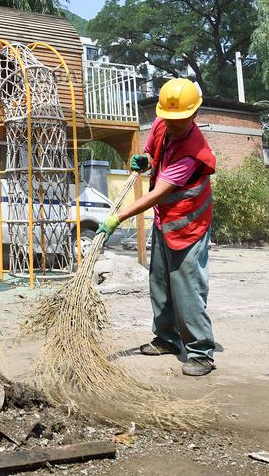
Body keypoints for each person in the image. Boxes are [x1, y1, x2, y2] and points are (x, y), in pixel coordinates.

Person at [97, 78, 218, 377]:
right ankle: (166, 338)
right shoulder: (163, 124)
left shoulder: (193, 150)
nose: (173, 125)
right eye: (168, 118)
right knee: (160, 283)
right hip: (166, 220)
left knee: (187, 287)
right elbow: (153, 155)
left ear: (194, 115)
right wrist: (145, 160)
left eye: (180, 120)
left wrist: (118, 218)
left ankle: (201, 352)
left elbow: (157, 194)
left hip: (189, 223)